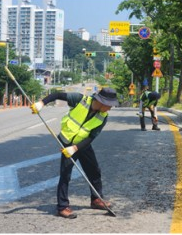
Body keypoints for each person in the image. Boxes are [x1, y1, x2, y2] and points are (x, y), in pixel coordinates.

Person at [31, 87, 119, 218]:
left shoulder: (103, 117)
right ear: (102, 102)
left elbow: (91, 137)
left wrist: (76, 148)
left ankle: (96, 199)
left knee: (94, 170)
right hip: (67, 142)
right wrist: (41, 103)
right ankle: (62, 207)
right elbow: (57, 95)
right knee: (65, 174)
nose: (110, 108)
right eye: (109, 105)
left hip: (82, 144)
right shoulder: (80, 100)